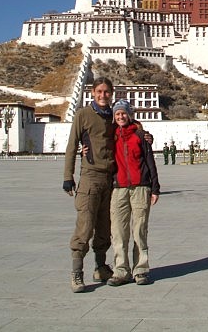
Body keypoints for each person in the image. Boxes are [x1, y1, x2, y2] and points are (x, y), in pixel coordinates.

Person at [63, 77, 117, 293]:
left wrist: (146, 136)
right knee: (85, 226)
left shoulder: (115, 115)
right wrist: (68, 175)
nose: (103, 96)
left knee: (105, 227)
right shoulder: (83, 115)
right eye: (99, 92)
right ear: (92, 93)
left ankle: (101, 267)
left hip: (110, 179)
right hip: (90, 178)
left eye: (107, 92)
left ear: (111, 94)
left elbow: (129, 132)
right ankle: (77, 273)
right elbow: (71, 145)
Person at [106, 100, 160, 286]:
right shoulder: (110, 136)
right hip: (118, 188)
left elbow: (149, 162)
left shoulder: (140, 135)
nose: (121, 117)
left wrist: (155, 187)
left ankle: (141, 269)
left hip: (140, 188)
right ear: (114, 117)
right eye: (117, 114)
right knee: (118, 231)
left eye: (123, 113)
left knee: (139, 230)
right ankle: (121, 270)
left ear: (130, 115)